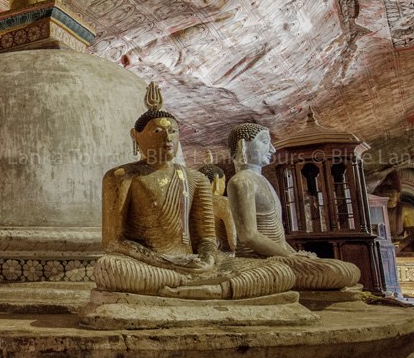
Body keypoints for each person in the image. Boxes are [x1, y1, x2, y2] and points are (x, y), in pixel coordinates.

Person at [94, 86, 292, 299]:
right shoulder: (121, 177)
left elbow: (206, 237)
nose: (167, 139)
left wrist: (206, 259)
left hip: (194, 264)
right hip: (149, 265)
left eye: (173, 131)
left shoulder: (195, 179)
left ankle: (203, 288)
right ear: (136, 136)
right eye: (157, 131)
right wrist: (163, 261)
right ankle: (209, 289)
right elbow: (113, 242)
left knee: (279, 272)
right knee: (110, 268)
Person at [225, 123, 361, 290]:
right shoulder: (241, 181)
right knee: (337, 272)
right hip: (257, 261)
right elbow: (248, 235)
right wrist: (292, 257)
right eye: (264, 141)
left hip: (277, 257)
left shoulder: (261, 181)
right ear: (243, 145)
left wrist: (296, 256)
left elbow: (279, 239)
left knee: (348, 270)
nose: (272, 149)